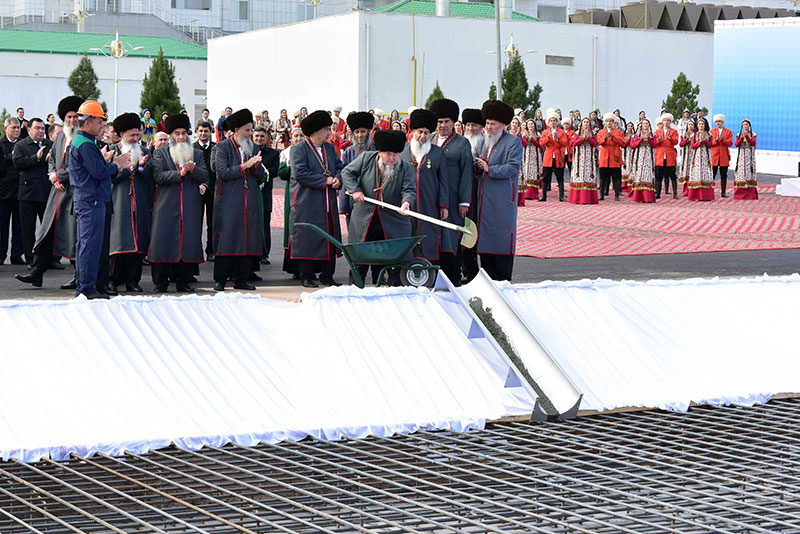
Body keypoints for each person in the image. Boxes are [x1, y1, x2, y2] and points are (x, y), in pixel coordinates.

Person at [14, 96, 83, 289]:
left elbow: (79, 167)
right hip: (56, 193)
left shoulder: (83, 138)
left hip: (73, 193)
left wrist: (59, 176)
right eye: (69, 117)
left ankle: (80, 276)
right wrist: (52, 174)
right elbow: (52, 158)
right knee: (46, 233)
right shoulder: (61, 136)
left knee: (72, 236)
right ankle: (36, 273)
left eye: (75, 117)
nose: (72, 120)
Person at [67, 101, 130, 298]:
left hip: (87, 199)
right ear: (89, 121)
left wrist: (103, 161)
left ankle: (85, 286)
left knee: (85, 245)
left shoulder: (81, 142)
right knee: (90, 246)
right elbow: (98, 172)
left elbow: (92, 169)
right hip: (91, 200)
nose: (103, 126)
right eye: (100, 121)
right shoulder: (86, 144)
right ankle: (86, 289)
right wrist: (116, 164)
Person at [342, 129, 414, 286]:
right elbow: (347, 172)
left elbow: (409, 190)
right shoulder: (367, 158)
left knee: (392, 260)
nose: (392, 158)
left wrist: (406, 202)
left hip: (391, 220)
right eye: (388, 154)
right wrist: (355, 190)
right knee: (360, 259)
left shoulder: (406, 167)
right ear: (380, 152)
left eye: (396, 154)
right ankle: (355, 289)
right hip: (365, 219)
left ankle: (393, 290)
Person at [148, 113, 208, 292]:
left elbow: (205, 175)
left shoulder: (196, 153)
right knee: (163, 241)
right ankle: (161, 283)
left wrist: (194, 169)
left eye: (184, 133)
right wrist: (180, 174)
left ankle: (183, 281)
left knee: (188, 241)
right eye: (177, 133)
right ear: (171, 135)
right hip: (166, 206)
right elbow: (158, 176)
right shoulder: (160, 153)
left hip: (190, 205)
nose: (181, 137)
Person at [289, 110, 344, 288]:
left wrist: (338, 179)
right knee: (308, 237)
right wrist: (325, 180)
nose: (330, 132)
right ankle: (307, 275)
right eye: (326, 128)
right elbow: (300, 173)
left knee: (330, 235)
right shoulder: (299, 149)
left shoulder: (329, 147)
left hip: (328, 200)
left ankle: (327, 274)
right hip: (309, 201)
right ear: (315, 131)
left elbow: (339, 166)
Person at [212, 108, 264, 291]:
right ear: (236, 130)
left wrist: (257, 167)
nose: (250, 134)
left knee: (247, 238)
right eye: (247, 130)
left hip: (249, 200)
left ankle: (241, 278)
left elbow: (260, 176)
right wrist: (245, 166)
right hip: (228, 201)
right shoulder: (222, 147)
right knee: (227, 238)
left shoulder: (253, 148)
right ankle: (220, 279)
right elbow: (222, 172)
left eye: (251, 130)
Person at [472, 100, 522, 281]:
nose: (489, 127)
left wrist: (489, 169)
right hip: (483, 201)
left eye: (493, 124)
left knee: (500, 241)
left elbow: (512, 168)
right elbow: (476, 164)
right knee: (484, 242)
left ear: (503, 125)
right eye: (487, 123)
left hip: (502, 200)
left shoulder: (513, 142)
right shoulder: (481, 143)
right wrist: (478, 166)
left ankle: (503, 281)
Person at [429, 99, 473, 286]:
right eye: (439, 121)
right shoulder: (428, 139)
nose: (443, 125)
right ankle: (432, 275)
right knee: (433, 234)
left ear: (454, 122)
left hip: (454, 200)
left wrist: (464, 201)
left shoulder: (462, 143)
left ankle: (453, 276)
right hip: (431, 198)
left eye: (446, 121)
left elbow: (467, 173)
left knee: (451, 236)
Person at [108, 112, 152, 292]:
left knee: (138, 241)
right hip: (119, 201)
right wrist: (132, 167)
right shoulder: (112, 152)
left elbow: (151, 177)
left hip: (139, 200)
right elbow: (112, 176)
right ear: (121, 135)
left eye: (138, 134)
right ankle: (112, 280)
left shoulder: (146, 152)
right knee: (118, 241)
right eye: (131, 135)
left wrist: (142, 167)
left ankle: (132, 281)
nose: (135, 138)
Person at [400, 108, 448, 266]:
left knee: (429, 236)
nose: (423, 136)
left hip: (430, 203)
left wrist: (443, 205)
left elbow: (444, 181)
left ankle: (428, 270)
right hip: (406, 204)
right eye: (420, 132)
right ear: (413, 131)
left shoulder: (438, 153)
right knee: (406, 234)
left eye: (427, 133)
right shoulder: (402, 152)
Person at [13, 117, 53, 266]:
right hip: (28, 194)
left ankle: (47, 260)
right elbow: (17, 163)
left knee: (48, 230)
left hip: (46, 193)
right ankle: (31, 260)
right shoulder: (21, 145)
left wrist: (50, 160)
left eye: (43, 128)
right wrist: (35, 158)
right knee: (28, 230)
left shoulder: (50, 145)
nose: (41, 131)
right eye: (37, 128)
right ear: (29, 130)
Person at [460, 108, 484, 283]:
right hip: (461, 192)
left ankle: (473, 271)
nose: (470, 128)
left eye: (474, 125)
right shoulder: (461, 142)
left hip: (478, 192)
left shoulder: (485, 143)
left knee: (473, 230)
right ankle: (465, 268)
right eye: (468, 125)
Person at [338, 112, 375, 224]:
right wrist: (344, 205)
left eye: (363, 131)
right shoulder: (348, 152)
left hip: (372, 199)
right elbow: (344, 176)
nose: (360, 135)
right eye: (357, 132)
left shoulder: (377, 150)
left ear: (369, 132)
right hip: (353, 199)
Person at [278, 126, 305, 278]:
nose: (299, 139)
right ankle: (295, 268)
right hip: (292, 193)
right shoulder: (285, 153)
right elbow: (281, 173)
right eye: (296, 136)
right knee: (293, 228)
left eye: (301, 136)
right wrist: (296, 169)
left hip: (308, 193)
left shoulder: (310, 151)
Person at [0, 118, 24, 265]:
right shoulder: (1, 144)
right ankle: (1, 255)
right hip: (3, 191)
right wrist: (13, 156)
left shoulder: (23, 143)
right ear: (6, 127)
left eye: (18, 127)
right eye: (13, 127)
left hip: (21, 190)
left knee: (19, 226)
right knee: (2, 226)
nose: (16, 130)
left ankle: (16, 255)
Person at [254, 126, 280, 265]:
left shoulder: (273, 153)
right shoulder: (248, 151)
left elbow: (275, 171)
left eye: (262, 136)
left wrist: (261, 172)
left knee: (265, 224)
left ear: (266, 137)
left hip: (265, 194)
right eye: (257, 136)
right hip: (251, 193)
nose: (259, 139)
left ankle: (264, 253)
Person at [193, 121, 216, 261]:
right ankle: (195, 251)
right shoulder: (191, 148)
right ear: (196, 132)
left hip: (213, 190)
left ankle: (211, 250)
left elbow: (216, 170)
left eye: (206, 131)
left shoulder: (216, 148)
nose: (203, 133)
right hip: (196, 190)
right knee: (196, 222)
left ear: (210, 132)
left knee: (213, 223)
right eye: (201, 131)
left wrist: (208, 185)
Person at [568, 117, 600, 204]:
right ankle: (578, 198)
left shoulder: (593, 133)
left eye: (587, 122)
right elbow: (573, 143)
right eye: (584, 122)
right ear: (581, 124)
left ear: (590, 124)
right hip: (579, 158)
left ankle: (589, 199)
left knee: (589, 176)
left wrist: (588, 138)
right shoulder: (576, 133)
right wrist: (582, 138)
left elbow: (596, 144)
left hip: (589, 159)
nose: (586, 124)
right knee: (579, 176)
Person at [539, 110, 569, 202]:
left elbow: (565, 143)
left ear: (557, 121)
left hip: (558, 156)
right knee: (545, 177)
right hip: (548, 156)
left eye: (554, 120)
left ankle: (561, 196)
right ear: (548, 122)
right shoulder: (545, 132)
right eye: (551, 120)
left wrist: (557, 138)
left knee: (560, 176)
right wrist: (548, 137)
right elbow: (541, 143)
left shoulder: (561, 132)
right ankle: (543, 196)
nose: (553, 122)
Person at [596, 113, 625, 201]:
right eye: (607, 121)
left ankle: (616, 195)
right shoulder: (601, 132)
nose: (609, 123)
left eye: (611, 121)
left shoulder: (619, 132)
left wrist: (613, 137)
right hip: (604, 157)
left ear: (613, 122)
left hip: (614, 156)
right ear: (605, 122)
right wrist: (605, 137)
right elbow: (599, 142)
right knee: (602, 178)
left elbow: (622, 143)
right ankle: (601, 195)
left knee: (616, 178)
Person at [629, 119, 657, 203]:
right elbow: (632, 145)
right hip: (639, 157)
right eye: (644, 123)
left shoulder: (652, 135)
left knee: (648, 175)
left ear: (649, 125)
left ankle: (648, 197)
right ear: (640, 125)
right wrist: (641, 139)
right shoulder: (636, 135)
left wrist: (649, 139)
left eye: (647, 123)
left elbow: (655, 145)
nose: (645, 125)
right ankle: (638, 197)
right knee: (638, 175)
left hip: (648, 157)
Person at [653, 113, 679, 199]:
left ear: (670, 122)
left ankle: (675, 193)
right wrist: (659, 140)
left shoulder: (674, 131)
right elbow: (654, 143)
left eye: (668, 120)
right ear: (662, 121)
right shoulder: (657, 132)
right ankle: (658, 193)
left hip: (669, 155)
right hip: (660, 155)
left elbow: (676, 142)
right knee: (658, 176)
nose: (666, 122)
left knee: (672, 175)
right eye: (665, 120)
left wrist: (670, 138)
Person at [688, 119, 715, 202]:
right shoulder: (694, 135)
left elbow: (710, 145)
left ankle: (706, 196)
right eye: (699, 124)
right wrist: (700, 142)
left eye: (702, 124)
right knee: (697, 174)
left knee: (705, 174)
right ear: (697, 125)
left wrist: (705, 140)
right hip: (696, 157)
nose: (701, 126)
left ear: (705, 125)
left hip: (705, 157)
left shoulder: (709, 135)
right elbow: (692, 146)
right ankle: (696, 195)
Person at [733, 119, 757, 200]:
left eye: (746, 124)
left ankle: (750, 193)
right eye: (744, 125)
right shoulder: (739, 134)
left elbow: (753, 143)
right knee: (741, 173)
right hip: (741, 156)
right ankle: (740, 193)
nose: (745, 126)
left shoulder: (753, 134)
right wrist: (741, 138)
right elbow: (736, 144)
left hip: (749, 156)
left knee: (749, 172)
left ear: (749, 126)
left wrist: (746, 136)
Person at [710, 114, 734, 198]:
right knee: (712, 174)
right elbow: (710, 143)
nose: (718, 123)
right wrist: (716, 140)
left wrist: (723, 140)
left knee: (724, 175)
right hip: (714, 155)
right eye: (716, 122)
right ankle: (710, 191)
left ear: (723, 122)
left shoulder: (728, 132)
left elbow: (730, 143)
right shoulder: (712, 132)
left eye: (719, 121)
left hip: (724, 155)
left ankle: (723, 192)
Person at [522, 119, 542, 201]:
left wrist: (532, 139)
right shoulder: (524, 133)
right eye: (529, 124)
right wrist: (526, 138)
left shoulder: (537, 134)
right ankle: (526, 194)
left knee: (534, 173)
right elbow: (524, 143)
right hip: (526, 155)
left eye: (532, 124)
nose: (530, 126)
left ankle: (534, 194)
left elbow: (539, 144)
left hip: (535, 156)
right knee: (526, 172)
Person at [678, 120, 695, 197]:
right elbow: (681, 144)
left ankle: (693, 190)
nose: (690, 126)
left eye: (692, 124)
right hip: (686, 155)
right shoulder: (684, 134)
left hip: (694, 154)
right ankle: (685, 190)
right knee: (686, 171)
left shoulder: (696, 134)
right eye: (689, 124)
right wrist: (686, 139)